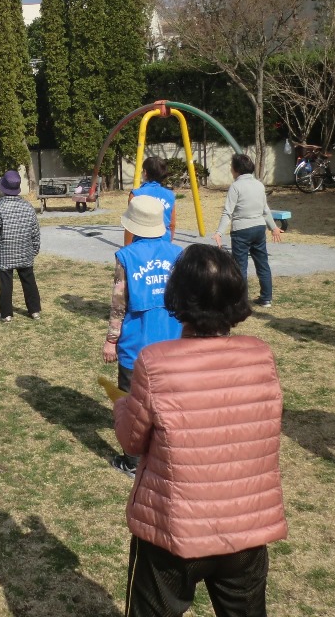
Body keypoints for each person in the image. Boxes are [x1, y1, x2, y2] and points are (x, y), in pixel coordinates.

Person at [114, 244, 287, 616]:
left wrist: (122, 406)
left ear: (177, 295)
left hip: (172, 532)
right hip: (245, 528)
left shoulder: (155, 363)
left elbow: (131, 440)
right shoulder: (261, 355)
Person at [102, 195, 183, 479]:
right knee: (168, 400)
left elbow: (119, 302)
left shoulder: (126, 256)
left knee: (132, 402)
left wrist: (111, 339)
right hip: (172, 339)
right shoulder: (178, 253)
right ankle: (166, 453)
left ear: (133, 225)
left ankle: (133, 460)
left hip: (136, 343)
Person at [213, 153, 283, 308]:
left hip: (241, 231)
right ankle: (266, 298)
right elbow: (265, 210)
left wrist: (219, 232)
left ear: (236, 169)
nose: (230, 170)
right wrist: (274, 228)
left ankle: (241, 301)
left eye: (231, 167)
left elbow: (228, 212)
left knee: (240, 267)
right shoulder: (259, 185)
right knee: (262, 263)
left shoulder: (236, 187)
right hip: (259, 229)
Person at [0, 169, 42, 322]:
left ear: (3, 188)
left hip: (4, 253)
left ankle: (6, 314)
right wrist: (34, 249)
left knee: (5, 283)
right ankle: (34, 311)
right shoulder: (28, 206)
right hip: (25, 250)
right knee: (29, 281)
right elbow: (35, 231)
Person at [124, 156, 176, 246]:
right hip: (164, 241)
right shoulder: (170, 195)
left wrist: (127, 247)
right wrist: (168, 243)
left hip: (140, 243)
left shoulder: (136, 194)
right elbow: (172, 224)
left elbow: (130, 224)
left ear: (145, 173)